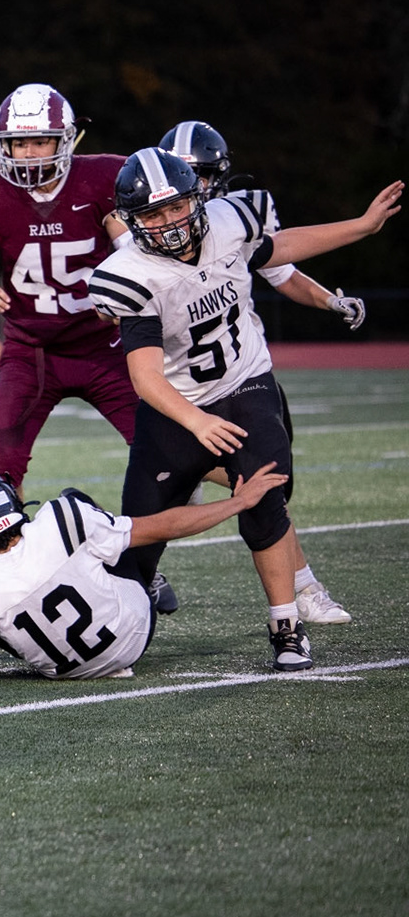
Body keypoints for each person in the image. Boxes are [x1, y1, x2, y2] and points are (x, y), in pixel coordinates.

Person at [86, 149, 400, 670]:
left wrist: (362, 227)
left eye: (177, 207)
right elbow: (145, 377)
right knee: (141, 535)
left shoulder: (231, 221)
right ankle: (115, 631)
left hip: (245, 383)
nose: (169, 223)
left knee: (264, 498)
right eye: (153, 215)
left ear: (197, 199)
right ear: (132, 221)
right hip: (176, 405)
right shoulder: (130, 274)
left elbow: (281, 248)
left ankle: (287, 625)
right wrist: (197, 421)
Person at [0, 83, 178, 614]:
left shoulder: (99, 183)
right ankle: (7, 574)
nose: (27, 153)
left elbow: (134, 253)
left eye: (40, 141)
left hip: (102, 349)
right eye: (18, 143)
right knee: (0, 467)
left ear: (66, 140)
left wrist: (123, 293)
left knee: (167, 454)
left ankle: (141, 567)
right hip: (32, 354)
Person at [159, 120, 364, 625]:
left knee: (267, 486)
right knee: (204, 488)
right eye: (181, 174)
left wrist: (330, 301)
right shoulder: (147, 235)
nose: (192, 187)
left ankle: (301, 591)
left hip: (244, 378)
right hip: (177, 389)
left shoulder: (234, 221)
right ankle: (135, 583)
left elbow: (283, 270)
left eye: (200, 175)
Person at [0, 463, 290, 680]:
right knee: (81, 505)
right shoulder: (62, 518)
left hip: (68, 671)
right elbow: (163, 526)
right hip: (133, 632)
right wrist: (239, 502)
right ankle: (150, 581)